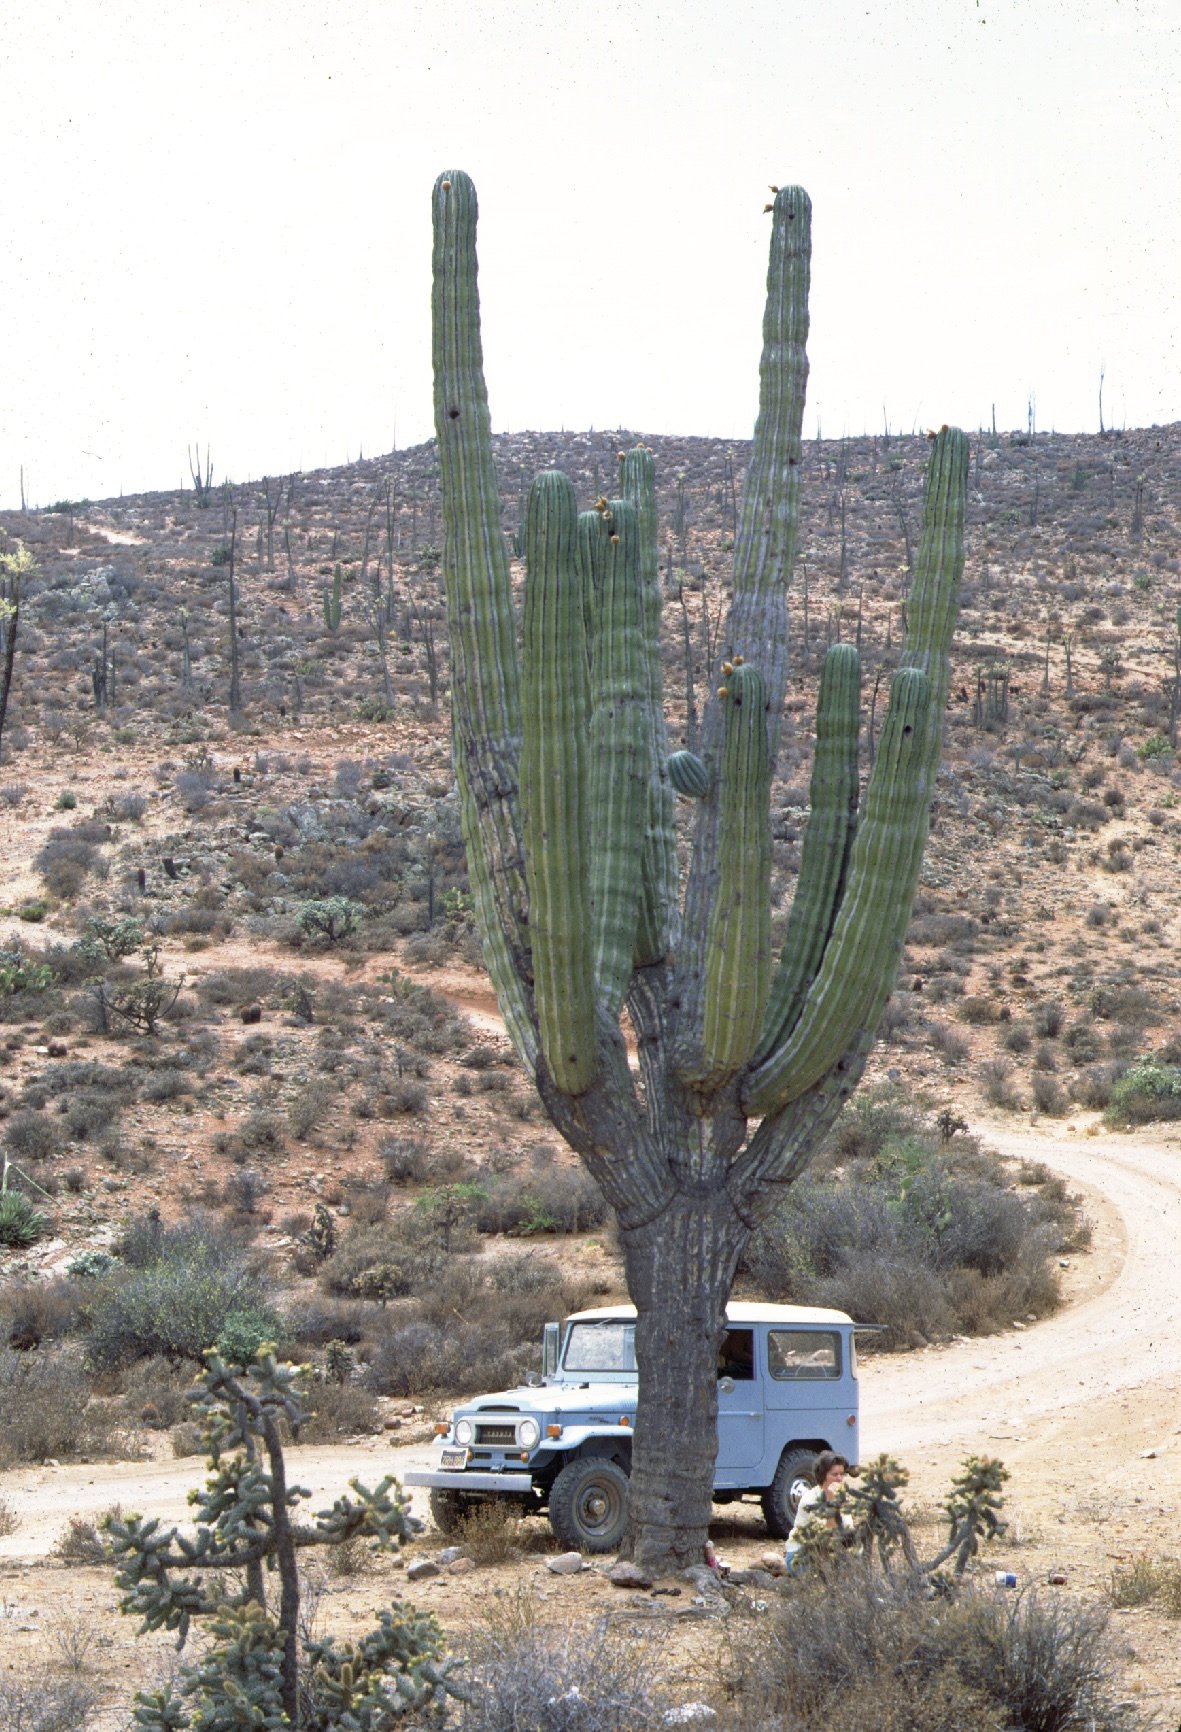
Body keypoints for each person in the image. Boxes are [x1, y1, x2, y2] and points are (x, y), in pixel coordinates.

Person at [784, 1451, 855, 1572]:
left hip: (828, 1555)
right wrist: (832, 1503)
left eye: (842, 1474)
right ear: (823, 1476)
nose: (839, 1479)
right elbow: (826, 1535)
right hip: (802, 1555)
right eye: (835, 1474)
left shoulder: (843, 1497)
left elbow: (849, 1529)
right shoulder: (810, 1499)